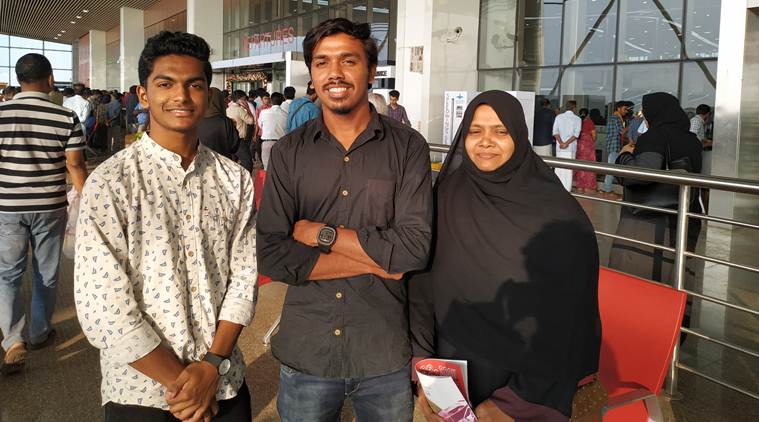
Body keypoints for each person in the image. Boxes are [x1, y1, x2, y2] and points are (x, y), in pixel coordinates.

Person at [74, 31, 257, 422]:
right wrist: (186, 385)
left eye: (194, 84)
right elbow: (103, 307)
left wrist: (209, 368)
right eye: (165, 84)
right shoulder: (111, 183)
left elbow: (244, 278)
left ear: (208, 93)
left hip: (224, 383)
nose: (181, 95)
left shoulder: (233, 179)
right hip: (141, 393)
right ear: (143, 94)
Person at [256, 18, 433, 422]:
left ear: (371, 71)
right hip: (308, 349)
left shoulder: (407, 148)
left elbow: (413, 249)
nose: (334, 73)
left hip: (383, 351)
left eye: (348, 61)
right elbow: (270, 253)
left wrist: (320, 233)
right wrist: (382, 262)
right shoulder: (289, 152)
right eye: (322, 63)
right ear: (313, 75)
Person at [410, 90, 601, 422]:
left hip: (526, 383)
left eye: (500, 131)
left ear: (519, 136)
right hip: (450, 376)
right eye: (475, 131)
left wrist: (514, 403)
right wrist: (424, 367)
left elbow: (570, 319)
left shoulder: (558, 216)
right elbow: (421, 285)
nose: (486, 142)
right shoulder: (448, 195)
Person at [0, 53, 88, 374]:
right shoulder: (64, 117)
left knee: (8, 273)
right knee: (45, 272)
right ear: (50, 80)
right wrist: (88, 201)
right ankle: (38, 332)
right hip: (50, 206)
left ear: (19, 79)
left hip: (7, 206)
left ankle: (12, 340)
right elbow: (75, 164)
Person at [610, 92, 703, 286]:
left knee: (641, 273)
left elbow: (640, 174)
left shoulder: (655, 136)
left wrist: (624, 156)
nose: (644, 116)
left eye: (647, 112)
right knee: (674, 275)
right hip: (682, 217)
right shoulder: (692, 140)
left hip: (649, 222)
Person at [198, 87, 240, 161]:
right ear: (220, 101)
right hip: (222, 165)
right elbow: (234, 147)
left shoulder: (195, 121)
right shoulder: (225, 122)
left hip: (200, 165)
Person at [600, 101, 630, 199]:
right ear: (618, 108)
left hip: (613, 146)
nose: (626, 111)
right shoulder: (616, 118)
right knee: (611, 169)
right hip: (614, 146)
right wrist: (632, 124)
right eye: (625, 109)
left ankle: (606, 189)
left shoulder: (614, 118)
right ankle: (607, 190)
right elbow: (622, 131)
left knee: (611, 169)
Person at [552, 100, 582, 192]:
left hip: (559, 148)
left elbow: (555, 132)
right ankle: (567, 190)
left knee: (559, 168)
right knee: (568, 169)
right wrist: (566, 143)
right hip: (570, 148)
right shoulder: (577, 119)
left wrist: (561, 143)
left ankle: (558, 188)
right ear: (574, 108)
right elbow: (576, 135)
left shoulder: (559, 117)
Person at [226, 89, 256, 171]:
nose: (245, 101)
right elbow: (251, 121)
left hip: (229, 139)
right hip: (240, 139)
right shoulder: (240, 110)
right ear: (239, 100)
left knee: (232, 162)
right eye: (244, 99)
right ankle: (245, 178)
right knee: (248, 161)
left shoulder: (228, 109)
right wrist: (247, 108)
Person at [257, 92, 288, 170]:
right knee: (279, 168)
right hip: (281, 143)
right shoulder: (286, 115)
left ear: (271, 100)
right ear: (282, 101)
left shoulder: (264, 112)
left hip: (267, 142)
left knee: (267, 169)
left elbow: (260, 125)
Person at [574, 108, 598, 194]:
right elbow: (594, 135)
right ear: (587, 114)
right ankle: (588, 187)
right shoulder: (589, 121)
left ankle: (580, 186)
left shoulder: (577, 121)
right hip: (588, 146)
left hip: (579, 145)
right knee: (589, 165)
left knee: (580, 165)